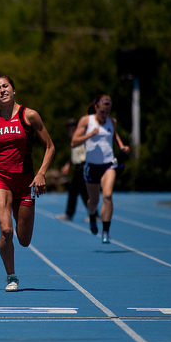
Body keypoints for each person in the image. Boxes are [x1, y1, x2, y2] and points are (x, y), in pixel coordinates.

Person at [0, 75, 55, 292]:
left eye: (5, 86)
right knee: (6, 230)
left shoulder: (29, 115)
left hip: (25, 182)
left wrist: (41, 174)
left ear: (14, 90)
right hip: (0, 178)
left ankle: (19, 218)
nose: (2, 90)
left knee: (24, 240)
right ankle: (11, 276)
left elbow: (50, 147)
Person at [71, 94, 130, 244]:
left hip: (108, 164)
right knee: (94, 200)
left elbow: (114, 135)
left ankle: (105, 231)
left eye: (107, 112)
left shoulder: (111, 122)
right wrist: (90, 134)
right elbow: (74, 142)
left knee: (108, 196)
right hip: (91, 166)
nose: (105, 115)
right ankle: (92, 216)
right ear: (96, 107)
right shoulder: (86, 121)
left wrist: (121, 146)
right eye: (102, 112)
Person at [56, 118, 88, 221]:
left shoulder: (81, 137)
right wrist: (68, 164)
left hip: (83, 166)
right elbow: (74, 155)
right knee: (82, 192)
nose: (69, 130)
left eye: (71, 127)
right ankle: (93, 214)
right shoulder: (74, 138)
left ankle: (69, 214)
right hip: (78, 166)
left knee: (74, 190)